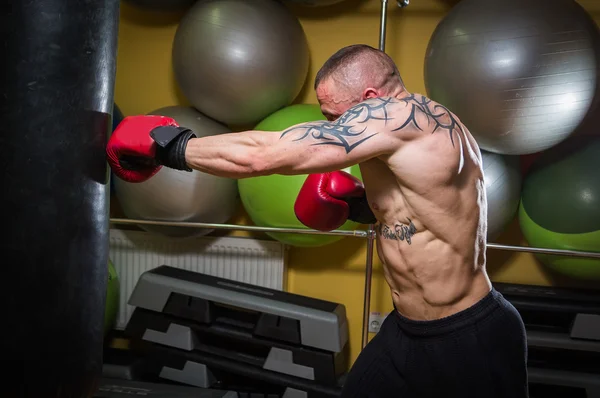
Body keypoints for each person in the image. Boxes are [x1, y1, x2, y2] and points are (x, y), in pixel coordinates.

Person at [106, 44, 528, 398]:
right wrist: (362, 208)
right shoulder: (408, 136)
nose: (333, 124)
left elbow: (262, 154)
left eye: (336, 115)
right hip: (407, 329)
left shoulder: (396, 117)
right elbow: (430, 213)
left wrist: (170, 147)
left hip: (467, 336)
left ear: (369, 98)